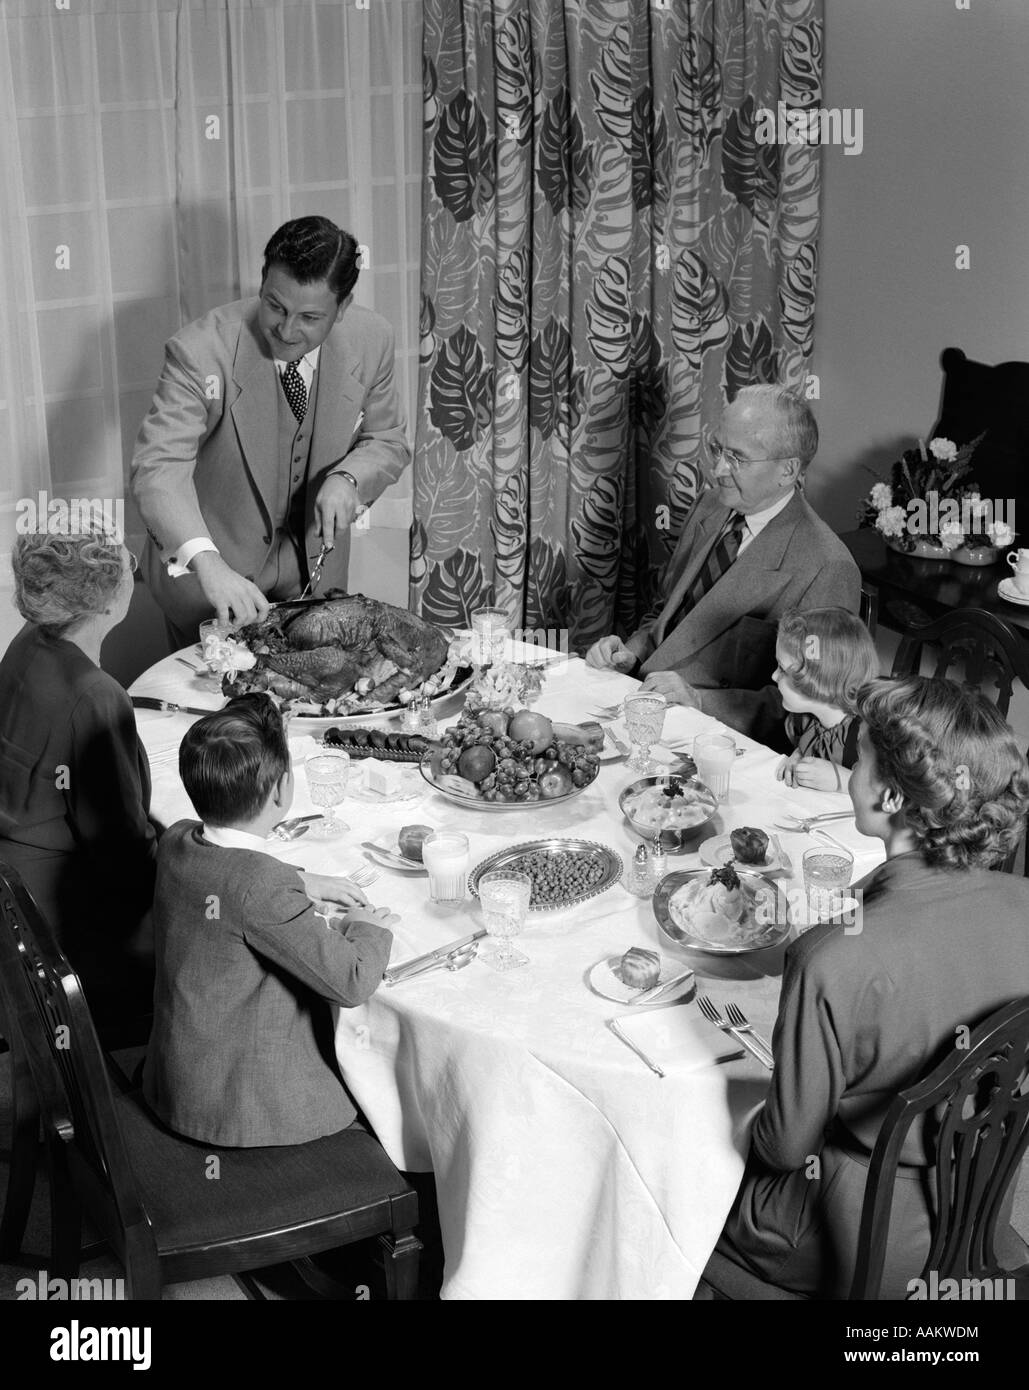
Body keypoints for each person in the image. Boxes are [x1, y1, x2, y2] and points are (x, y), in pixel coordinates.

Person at [698, 676, 1029, 1299]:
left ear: (890, 795)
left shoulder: (830, 957)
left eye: (860, 760)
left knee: (672, 1153)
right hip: (980, 1205)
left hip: (844, 1231)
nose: (851, 772)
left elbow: (785, 1149)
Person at [131, 215, 411, 646]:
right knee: (220, 711)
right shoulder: (200, 351)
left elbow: (386, 439)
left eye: (310, 317)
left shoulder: (372, 339)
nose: (286, 329)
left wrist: (348, 478)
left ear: (344, 308)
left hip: (313, 583)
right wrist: (207, 563)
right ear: (262, 284)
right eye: (275, 306)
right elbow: (158, 469)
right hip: (212, 584)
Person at [143, 694, 396, 1147]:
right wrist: (366, 926)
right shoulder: (262, 889)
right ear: (281, 789)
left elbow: (228, 875)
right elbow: (351, 982)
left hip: (177, 1079)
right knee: (383, 1097)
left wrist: (301, 878)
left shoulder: (178, 838)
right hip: (241, 1106)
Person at [585, 386, 861, 746]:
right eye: (717, 449)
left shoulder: (827, 565)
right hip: (643, 702)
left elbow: (814, 710)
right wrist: (630, 653)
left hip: (716, 742)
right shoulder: (713, 506)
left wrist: (700, 701)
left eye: (738, 458)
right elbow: (664, 615)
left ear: (788, 470)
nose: (717, 470)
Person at [0, 530, 157, 1041]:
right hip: (67, 938)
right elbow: (123, 854)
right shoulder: (94, 694)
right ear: (107, 600)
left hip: (15, 912)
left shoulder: (26, 642)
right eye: (125, 565)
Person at [772, 607, 879, 792]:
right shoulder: (804, 720)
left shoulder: (869, 735)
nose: (774, 676)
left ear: (817, 683)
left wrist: (842, 781)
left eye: (782, 669)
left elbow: (894, 792)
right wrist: (799, 756)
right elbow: (814, 746)